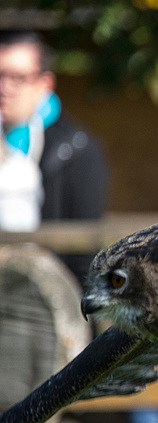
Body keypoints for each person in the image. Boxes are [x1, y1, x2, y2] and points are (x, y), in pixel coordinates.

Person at [0, 30, 108, 281]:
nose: (4, 88)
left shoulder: (78, 149)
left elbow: (84, 252)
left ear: (44, 84)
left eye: (17, 77)